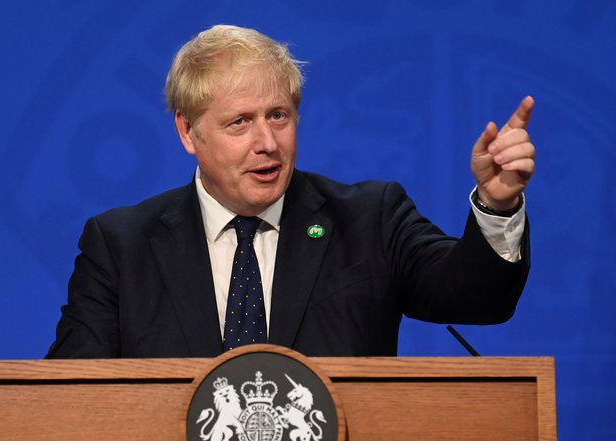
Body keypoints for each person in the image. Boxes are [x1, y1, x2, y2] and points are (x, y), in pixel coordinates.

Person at [46, 24, 535, 359]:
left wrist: (497, 204)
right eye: (240, 122)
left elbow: (477, 298)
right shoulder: (120, 247)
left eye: (278, 116)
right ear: (188, 131)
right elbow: (67, 397)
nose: (267, 143)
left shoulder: (369, 219)